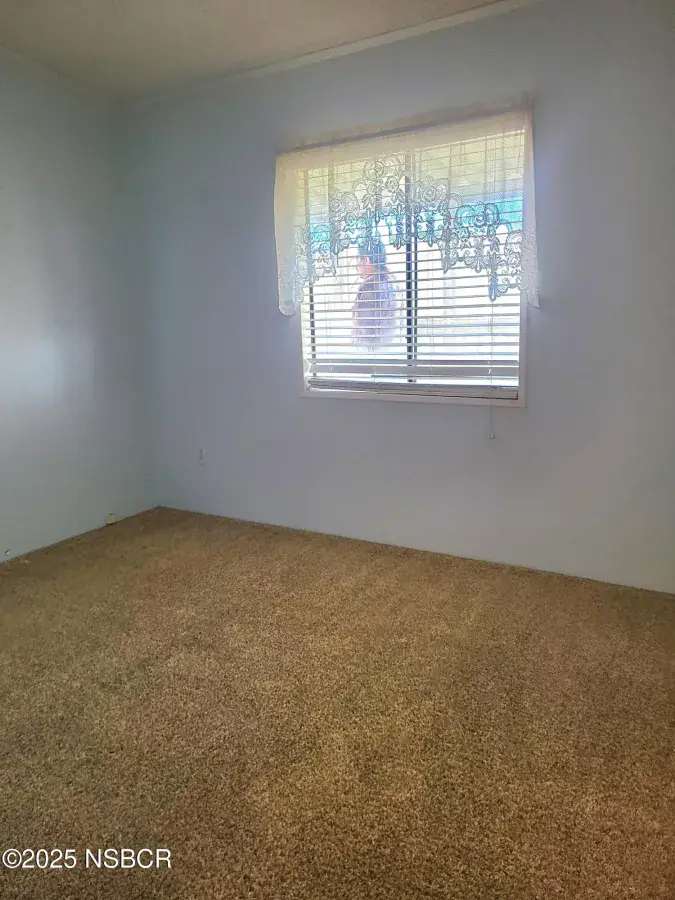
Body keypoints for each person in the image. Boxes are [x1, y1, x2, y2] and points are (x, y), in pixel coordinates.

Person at [352, 241, 400, 348]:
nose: (356, 266)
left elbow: (365, 333)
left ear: (366, 260)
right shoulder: (391, 283)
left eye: (358, 260)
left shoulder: (370, 287)